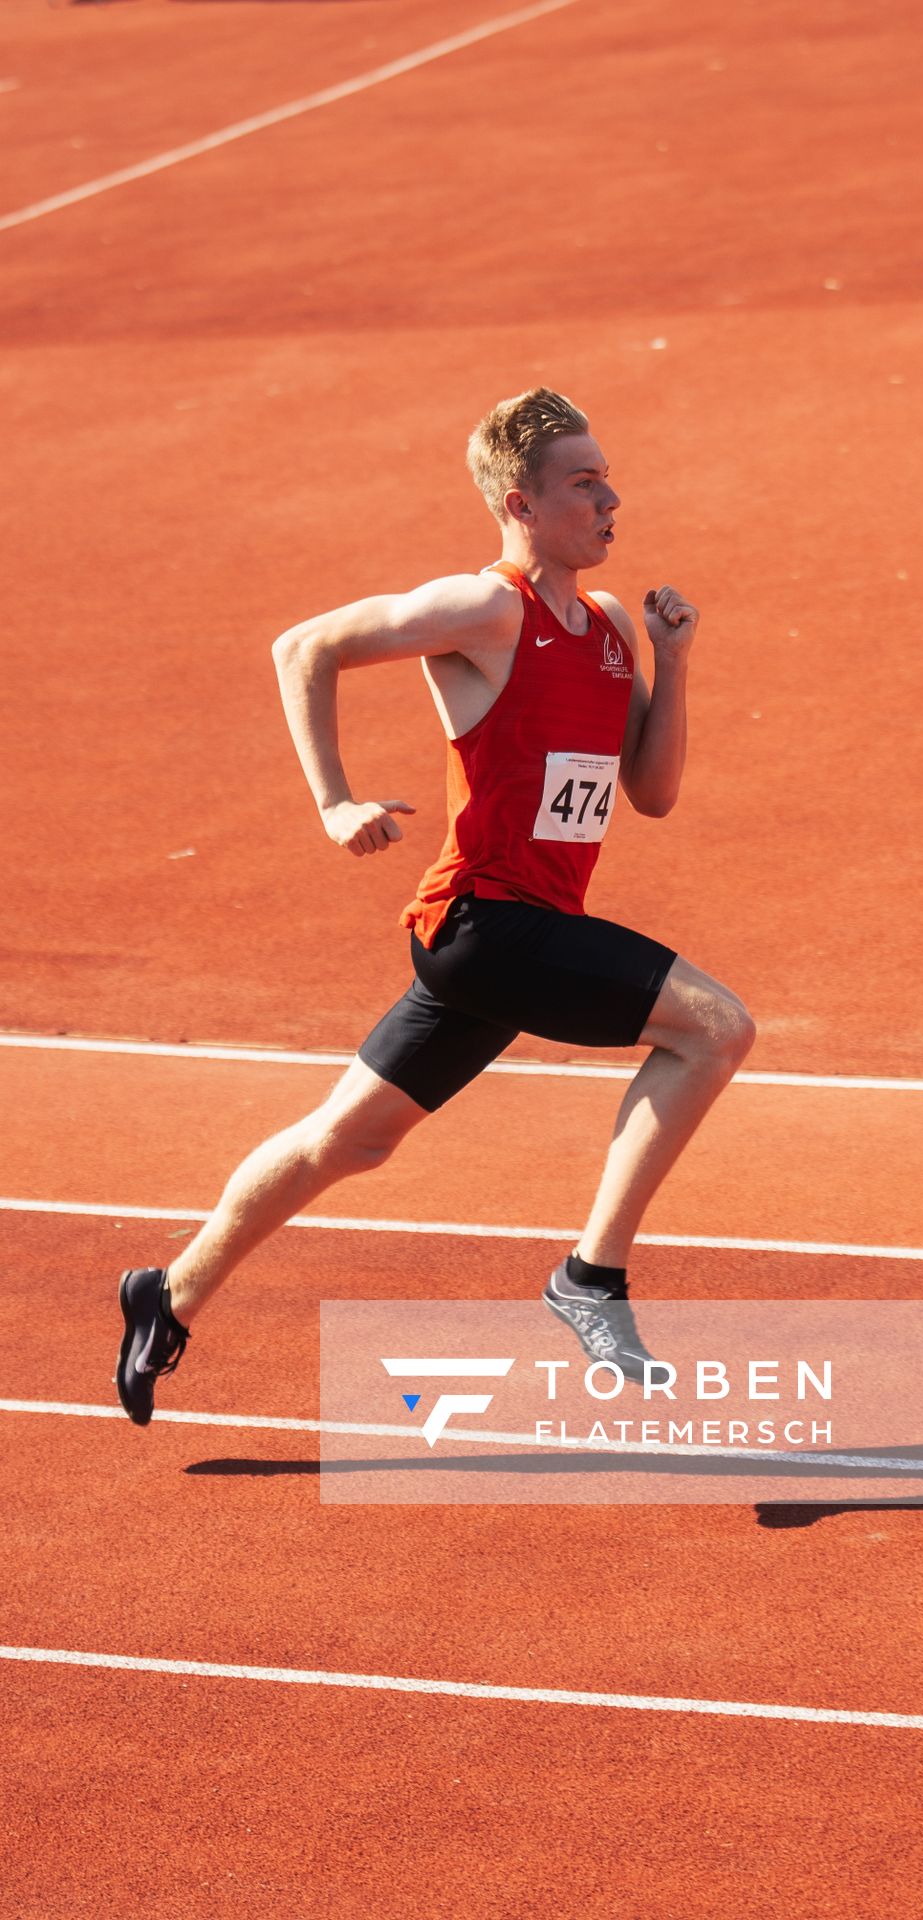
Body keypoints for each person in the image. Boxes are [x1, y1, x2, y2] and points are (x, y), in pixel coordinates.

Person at [115, 387, 755, 1425]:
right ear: (521, 501)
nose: (611, 497)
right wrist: (334, 802)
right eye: (584, 481)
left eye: (606, 476)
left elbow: (652, 792)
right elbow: (302, 648)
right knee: (716, 1029)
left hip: (516, 937)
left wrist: (672, 660)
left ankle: (168, 1291)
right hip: (484, 923)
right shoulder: (486, 607)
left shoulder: (601, 630)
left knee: (349, 1141)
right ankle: (590, 1278)